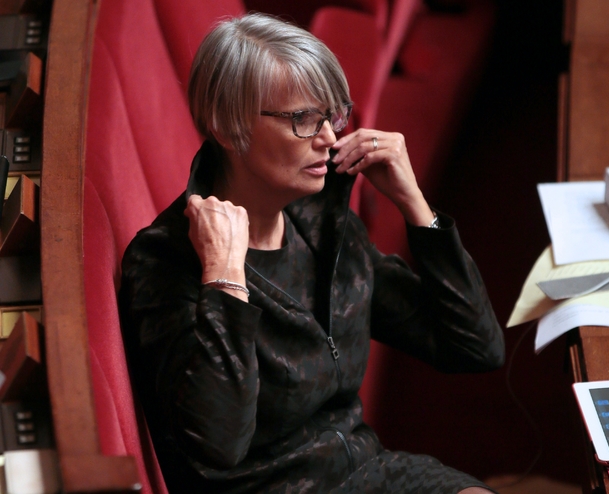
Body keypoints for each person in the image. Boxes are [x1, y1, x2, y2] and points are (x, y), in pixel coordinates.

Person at [118, 12, 505, 494]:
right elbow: (217, 444)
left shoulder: (318, 221)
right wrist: (224, 278)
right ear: (227, 125)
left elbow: (474, 347)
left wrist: (414, 204)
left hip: (366, 472)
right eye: (303, 119)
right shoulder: (166, 261)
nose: (328, 138)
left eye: (333, 115)